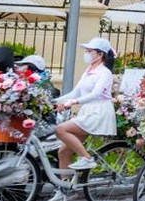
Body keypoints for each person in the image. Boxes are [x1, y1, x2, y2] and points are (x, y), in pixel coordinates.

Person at [51, 38, 119, 182]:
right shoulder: (88, 71)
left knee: (60, 129)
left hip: (98, 113)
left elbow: (96, 94)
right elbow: (75, 92)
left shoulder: (104, 73)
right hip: (87, 112)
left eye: (90, 51)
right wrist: (54, 101)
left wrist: (74, 102)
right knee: (63, 151)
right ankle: (65, 188)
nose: (86, 54)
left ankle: (87, 158)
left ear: (100, 54)